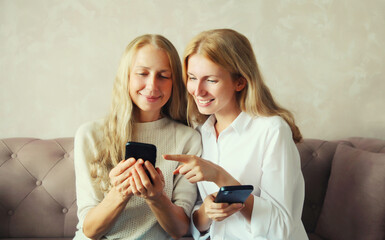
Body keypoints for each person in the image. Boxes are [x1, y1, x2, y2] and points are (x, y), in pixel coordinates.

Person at [163, 29, 308, 240]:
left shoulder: (272, 131)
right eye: (192, 78)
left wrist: (220, 177)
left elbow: (282, 228)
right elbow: (198, 225)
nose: (198, 90)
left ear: (239, 82)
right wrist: (207, 211)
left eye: (211, 80)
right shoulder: (201, 133)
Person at [73, 34, 201, 240]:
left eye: (163, 76)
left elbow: (180, 229)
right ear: (127, 76)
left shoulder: (188, 139)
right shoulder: (90, 135)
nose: (152, 86)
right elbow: (90, 230)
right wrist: (120, 193)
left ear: (174, 81)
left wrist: (157, 197)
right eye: (142, 73)